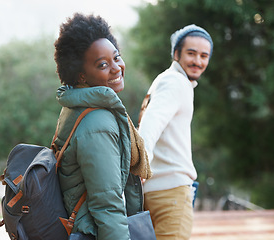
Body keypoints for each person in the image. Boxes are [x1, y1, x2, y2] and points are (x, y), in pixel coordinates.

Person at [52, 13, 152, 240]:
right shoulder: (99, 123)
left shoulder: (76, 106)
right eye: (103, 64)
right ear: (82, 75)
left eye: (116, 58)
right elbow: (107, 204)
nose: (116, 68)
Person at [138, 24, 213, 240]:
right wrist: (141, 164)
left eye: (204, 55)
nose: (198, 61)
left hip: (155, 191)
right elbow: (150, 125)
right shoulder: (175, 82)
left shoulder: (165, 80)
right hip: (171, 193)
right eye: (191, 53)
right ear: (176, 53)